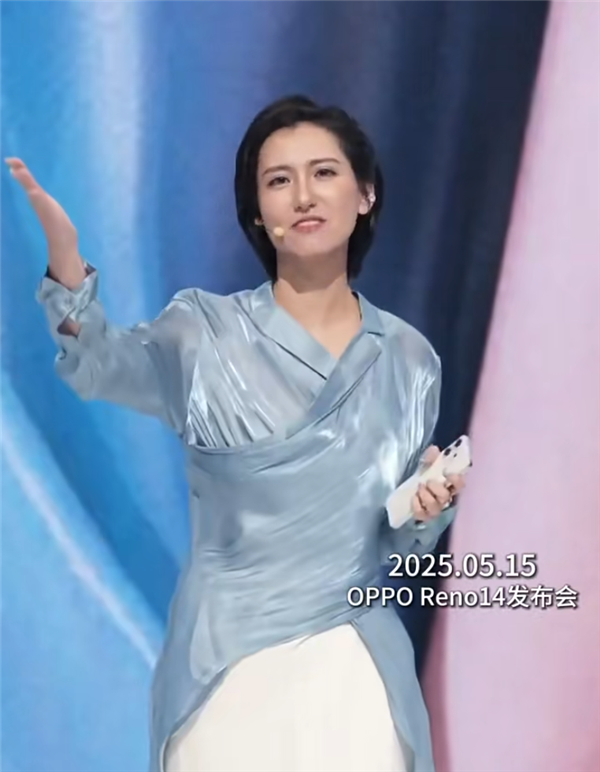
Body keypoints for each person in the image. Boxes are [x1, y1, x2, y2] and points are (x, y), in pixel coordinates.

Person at [6, 95, 466, 772]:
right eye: (278, 180)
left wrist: (427, 508)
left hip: (356, 670)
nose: (303, 195)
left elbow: (391, 542)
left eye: (324, 173)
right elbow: (100, 364)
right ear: (256, 212)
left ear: (366, 194)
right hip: (226, 666)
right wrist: (67, 263)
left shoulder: (410, 359)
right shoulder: (204, 333)